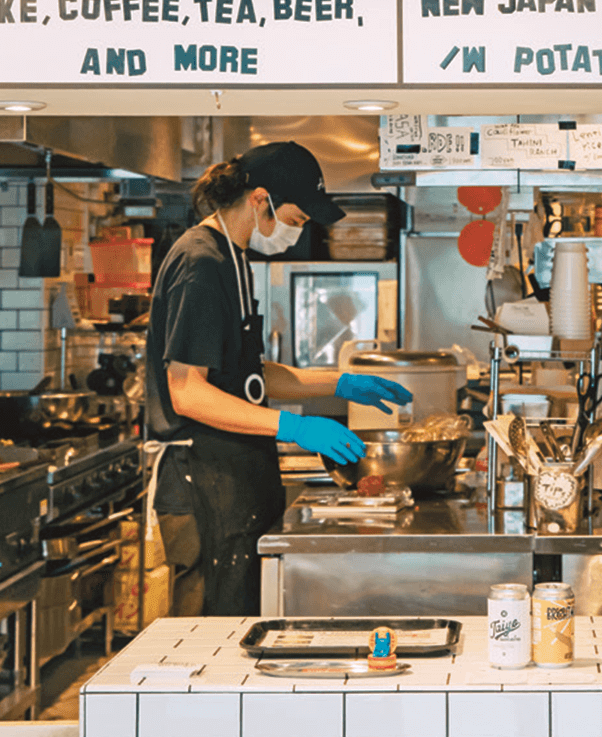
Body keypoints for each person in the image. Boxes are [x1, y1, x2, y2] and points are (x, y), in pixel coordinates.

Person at [144, 140, 411, 616]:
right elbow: (187, 392)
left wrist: (341, 382)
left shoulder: (234, 260)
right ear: (259, 199)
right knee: (210, 638)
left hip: (236, 478)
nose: (297, 231)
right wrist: (296, 428)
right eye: (296, 219)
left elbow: (249, 376)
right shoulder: (201, 264)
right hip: (203, 481)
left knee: (241, 626)